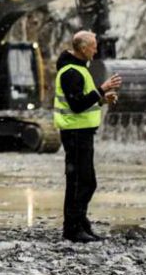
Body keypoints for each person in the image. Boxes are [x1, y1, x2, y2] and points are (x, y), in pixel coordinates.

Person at [54, 30, 121, 242]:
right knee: (80, 182)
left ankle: (80, 224)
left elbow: (83, 100)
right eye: (93, 46)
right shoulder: (71, 71)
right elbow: (76, 104)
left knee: (84, 181)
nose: (96, 49)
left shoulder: (80, 69)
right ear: (83, 48)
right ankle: (73, 229)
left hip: (81, 133)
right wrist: (102, 89)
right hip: (75, 133)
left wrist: (101, 99)